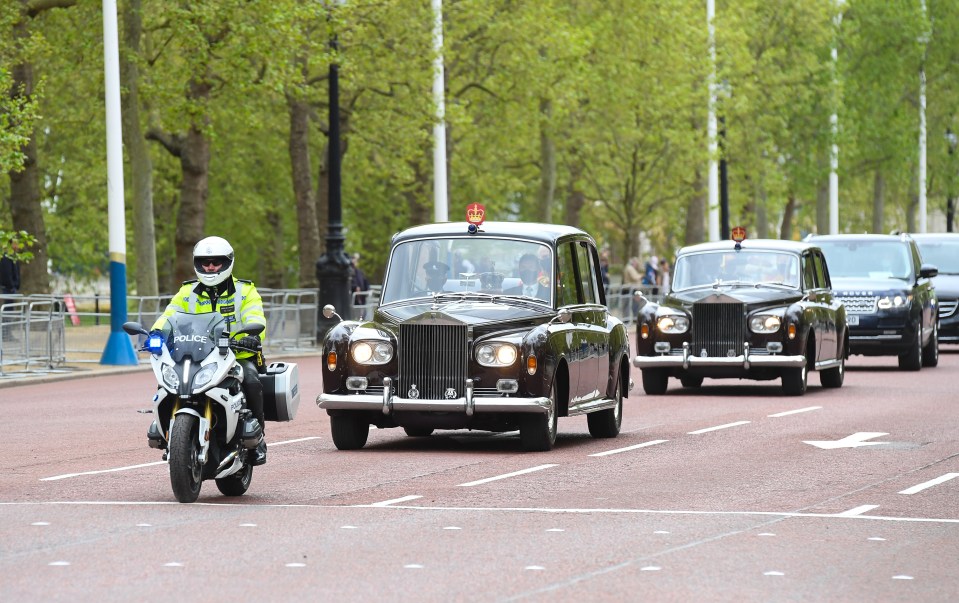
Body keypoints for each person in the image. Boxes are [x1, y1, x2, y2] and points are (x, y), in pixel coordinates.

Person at [151, 236, 269, 465]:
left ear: (227, 263)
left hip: (236, 355)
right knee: (166, 383)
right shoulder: (187, 292)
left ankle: (259, 439)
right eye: (205, 262)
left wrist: (251, 337)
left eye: (216, 262)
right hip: (196, 354)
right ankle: (166, 433)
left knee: (252, 380)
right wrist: (156, 334)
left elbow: (255, 317)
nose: (210, 267)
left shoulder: (245, 291)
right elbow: (169, 315)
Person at [1, 241, 21, 342]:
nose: (17, 246)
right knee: (7, 312)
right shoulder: (6, 257)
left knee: (10, 311)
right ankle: (5, 333)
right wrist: (11, 286)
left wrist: (16, 285)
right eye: (15, 244)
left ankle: (7, 333)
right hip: (7, 289)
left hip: (12, 289)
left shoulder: (14, 257)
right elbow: (6, 274)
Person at [351, 253, 371, 319]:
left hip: (362, 298)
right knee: (356, 316)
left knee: (363, 314)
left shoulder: (359, 272)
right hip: (354, 299)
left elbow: (365, 281)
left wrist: (368, 288)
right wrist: (355, 287)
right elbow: (350, 283)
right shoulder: (349, 272)